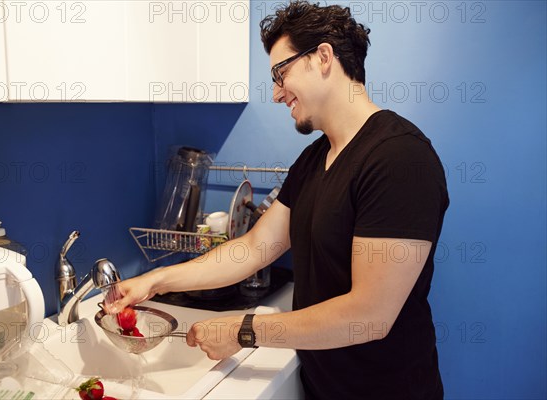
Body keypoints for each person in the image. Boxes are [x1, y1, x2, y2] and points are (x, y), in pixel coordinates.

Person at [111, 1, 448, 398]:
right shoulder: (313, 159)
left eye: (280, 73)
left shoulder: (398, 157)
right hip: (321, 386)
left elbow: (369, 315)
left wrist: (244, 330)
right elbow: (254, 248)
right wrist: (154, 281)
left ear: (323, 57)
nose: (275, 93)